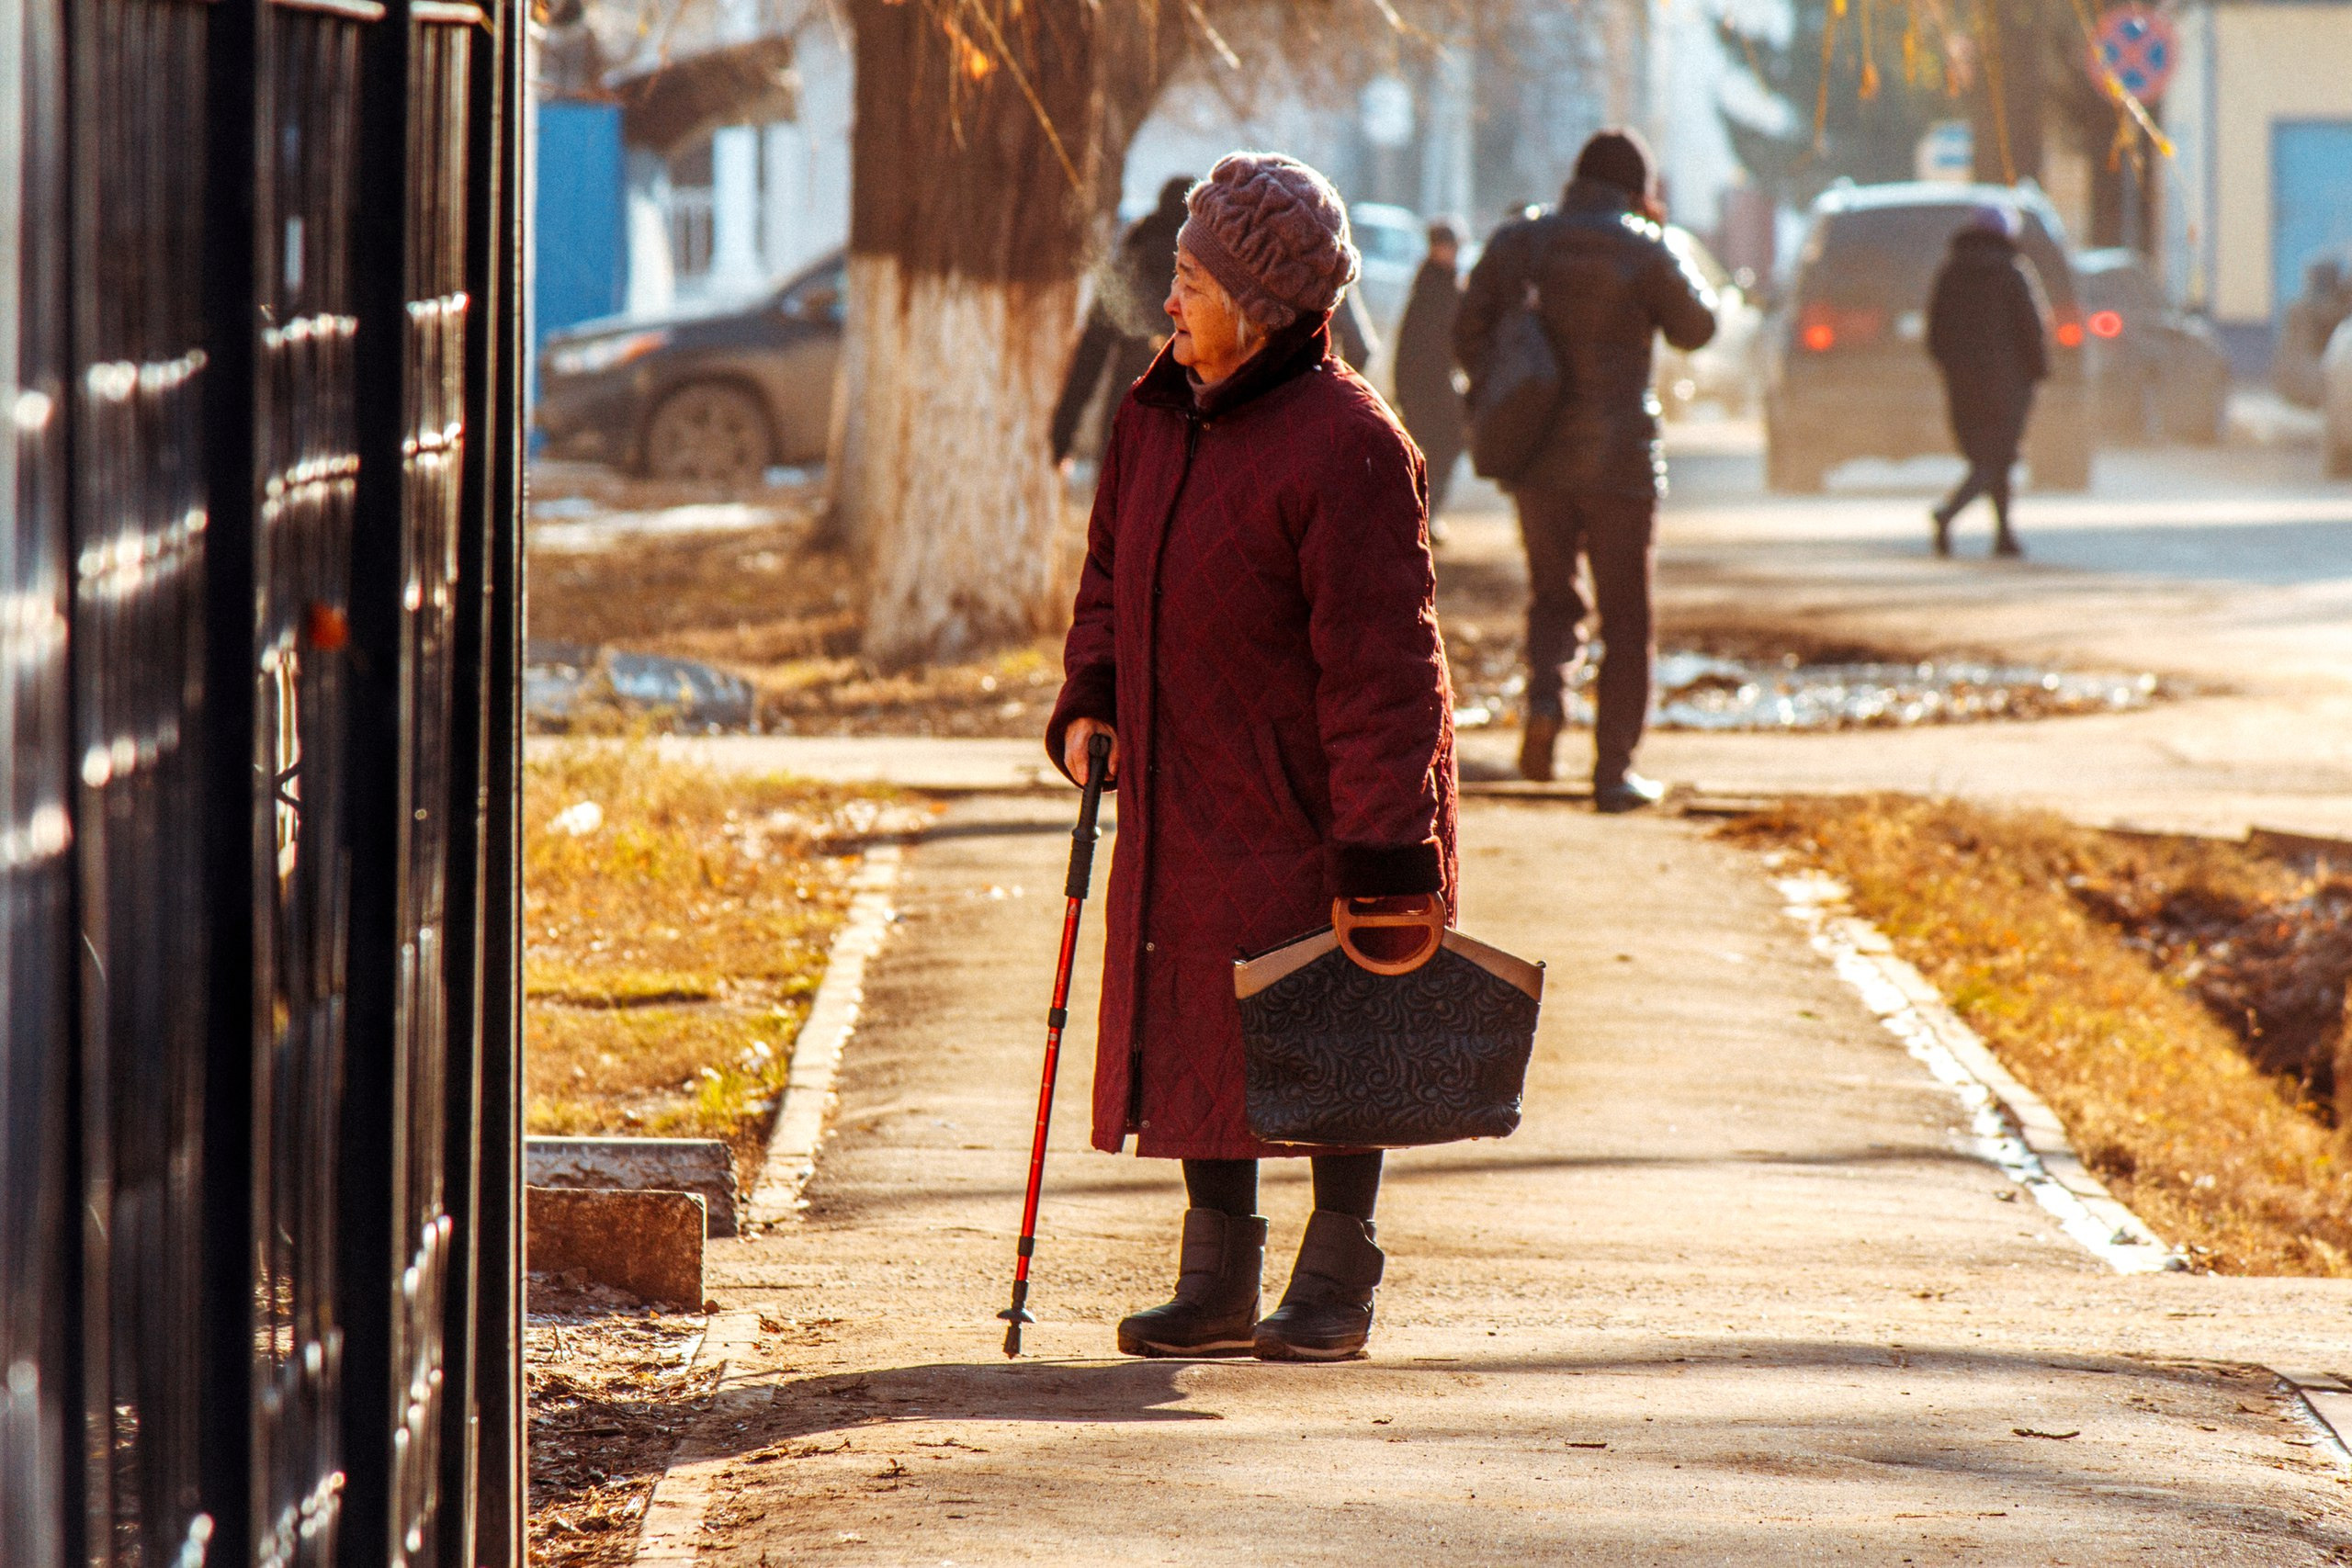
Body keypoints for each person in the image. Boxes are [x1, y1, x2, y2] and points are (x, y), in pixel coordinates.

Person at [1046, 152, 1457, 1363]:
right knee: (1195, 1007)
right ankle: (1217, 1277)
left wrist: (1389, 850)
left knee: (1337, 1006)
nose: (1169, 304)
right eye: (1173, 276)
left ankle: (1339, 1274)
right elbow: (1108, 579)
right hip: (1183, 782)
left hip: (1319, 796)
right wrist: (1092, 696)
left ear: (1267, 307)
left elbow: (1390, 676)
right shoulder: (1153, 410)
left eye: (1191, 282)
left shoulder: (1350, 443)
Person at [1453, 129, 1715, 811]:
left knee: (1551, 594)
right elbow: (1699, 327)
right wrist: (1662, 233)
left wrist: (1506, 382)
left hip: (1536, 454)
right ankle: (1613, 772)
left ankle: (1545, 700)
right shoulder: (1646, 245)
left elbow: (1466, 328)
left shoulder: (1522, 239)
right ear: (1637, 188)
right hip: (1621, 462)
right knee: (1626, 615)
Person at [1926, 205, 2048, 560]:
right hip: (2008, 385)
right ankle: (1949, 514)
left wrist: (1952, 369)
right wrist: (2037, 372)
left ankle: (2004, 535)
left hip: (1963, 385)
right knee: (1996, 460)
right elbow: (2031, 329)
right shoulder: (2012, 273)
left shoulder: (1950, 273)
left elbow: (1935, 334)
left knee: (1987, 457)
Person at [1049, 175, 1193, 465]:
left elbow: (1090, 354)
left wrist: (1063, 430)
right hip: (1185, 422)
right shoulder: (1205, 278)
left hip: (1126, 414)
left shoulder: (1130, 266)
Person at [1394, 220, 1466, 531]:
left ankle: (1424, 514)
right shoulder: (1437, 286)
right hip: (1426, 386)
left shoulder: (1433, 283)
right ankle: (1422, 515)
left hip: (1431, 385)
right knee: (1433, 450)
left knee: (1437, 449)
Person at [2273, 257, 2350, 410]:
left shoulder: (2297, 307)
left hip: (2294, 380)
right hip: (2309, 381)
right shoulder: (2311, 309)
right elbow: (2331, 314)